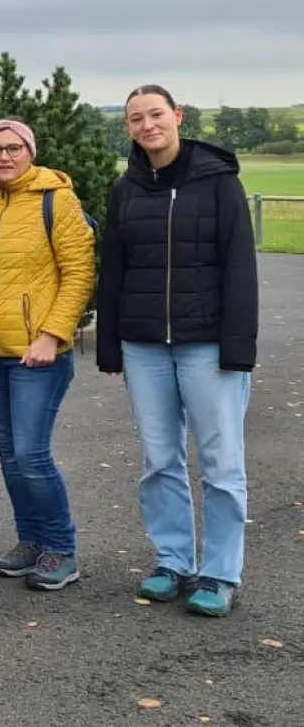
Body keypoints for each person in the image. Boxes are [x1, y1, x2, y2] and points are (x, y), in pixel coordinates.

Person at [97, 84, 257, 617]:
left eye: (156, 114)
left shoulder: (220, 183)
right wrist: (110, 346)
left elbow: (240, 267)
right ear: (128, 127)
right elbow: (113, 270)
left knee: (221, 463)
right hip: (144, 347)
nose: (147, 126)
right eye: (136, 118)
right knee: (159, 460)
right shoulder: (126, 189)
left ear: (177, 117)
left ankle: (220, 572)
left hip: (207, 345)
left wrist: (238, 348)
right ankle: (173, 561)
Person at [0, 119, 95, 590]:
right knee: (10, 455)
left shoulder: (57, 201)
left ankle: (61, 549)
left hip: (36, 355)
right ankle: (30, 541)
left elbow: (79, 273)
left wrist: (52, 334)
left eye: (14, 148)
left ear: (31, 151)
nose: (4, 156)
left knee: (32, 454)